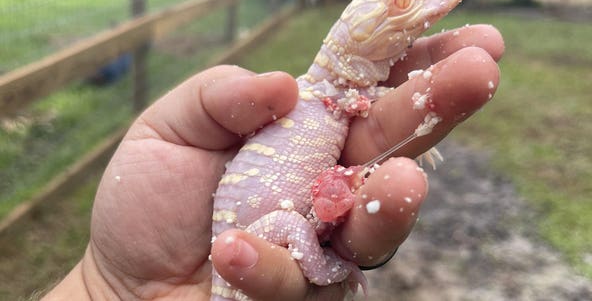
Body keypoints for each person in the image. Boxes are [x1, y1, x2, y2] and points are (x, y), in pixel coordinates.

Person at [43, 24, 504, 301]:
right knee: (304, 240)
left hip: (246, 229)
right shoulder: (322, 91)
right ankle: (324, 267)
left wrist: (103, 288)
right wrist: (106, 285)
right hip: (255, 227)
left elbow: (364, 103)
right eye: (403, 4)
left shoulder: (333, 91)